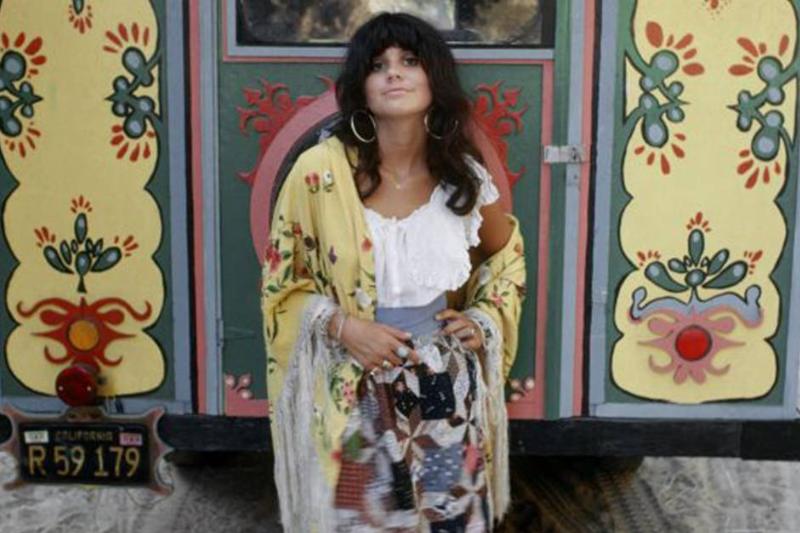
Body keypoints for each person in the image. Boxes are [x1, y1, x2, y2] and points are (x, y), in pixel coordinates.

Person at [261, 12, 526, 532]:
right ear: (361, 86)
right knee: (364, 520)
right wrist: (345, 327)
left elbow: (505, 254)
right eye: (378, 65)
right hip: (354, 384)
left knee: (449, 516)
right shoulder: (318, 174)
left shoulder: (463, 177)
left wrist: (484, 319)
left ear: (434, 78)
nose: (394, 73)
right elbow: (281, 282)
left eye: (409, 61)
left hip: (443, 384)